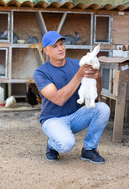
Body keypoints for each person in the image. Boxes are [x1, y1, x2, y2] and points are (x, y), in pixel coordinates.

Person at [33, 31, 110, 164]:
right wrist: (79, 75)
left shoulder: (77, 64)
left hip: (75, 117)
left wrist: (98, 79)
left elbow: (95, 96)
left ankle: (89, 149)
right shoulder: (41, 72)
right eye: (55, 46)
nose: (60, 48)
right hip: (52, 120)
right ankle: (52, 143)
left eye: (61, 44)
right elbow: (59, 99)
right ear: (46, 50)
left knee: (102, 108)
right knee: (66, 145)